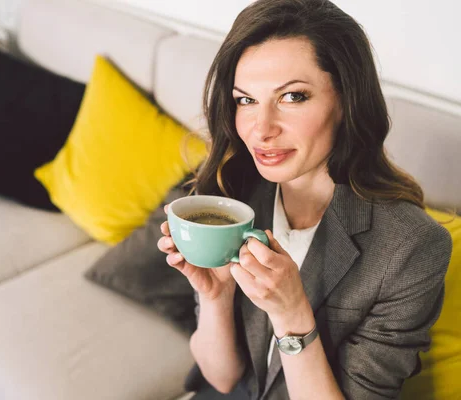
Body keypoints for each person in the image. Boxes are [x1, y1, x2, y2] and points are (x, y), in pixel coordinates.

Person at [157, 0, 453, 399]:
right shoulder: (229, 193)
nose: (261, 130)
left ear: (347, 100)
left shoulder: (410, 248)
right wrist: (215, 296)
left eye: (292, 97)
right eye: (246, 100)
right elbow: (223, 379)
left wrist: (292, 315)